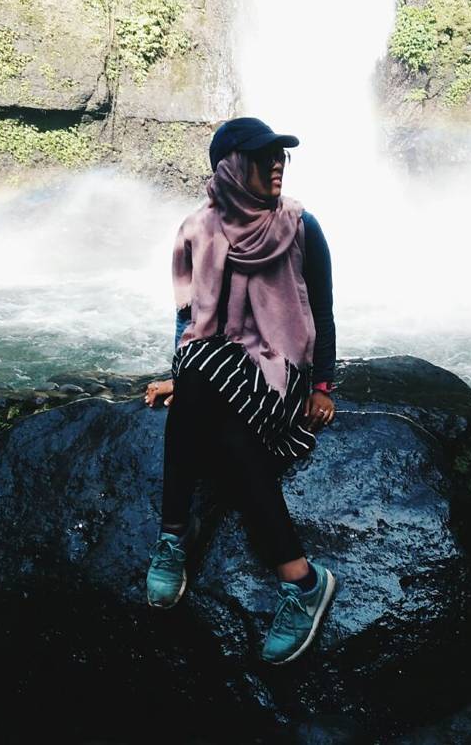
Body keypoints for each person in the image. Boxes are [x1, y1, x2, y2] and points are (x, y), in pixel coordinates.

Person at [142, 116, 338, 665]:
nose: (277, 163)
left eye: (280, 155)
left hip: (282, 369)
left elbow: (320, 309)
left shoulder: (301, 226)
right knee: (227, 435)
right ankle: (301, 580)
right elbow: (188, 321)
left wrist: (321, 386)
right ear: (231, 168)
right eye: (263, 156)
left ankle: (175, 533)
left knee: (199, 363)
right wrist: (182, 381)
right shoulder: (195, 232)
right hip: (217, 367)